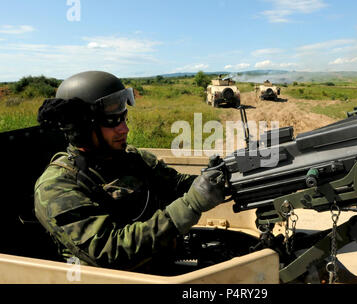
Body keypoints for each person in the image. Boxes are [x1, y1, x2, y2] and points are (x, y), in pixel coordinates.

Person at [34, 71, 226, 272]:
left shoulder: (133, 158)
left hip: (159, 265)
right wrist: (192, 206)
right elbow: (109, 250)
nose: (124, 129)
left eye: (123, 118)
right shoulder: (57, 186)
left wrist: (219, 178)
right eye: (112, 121)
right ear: (82, 128)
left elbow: (177, 184)